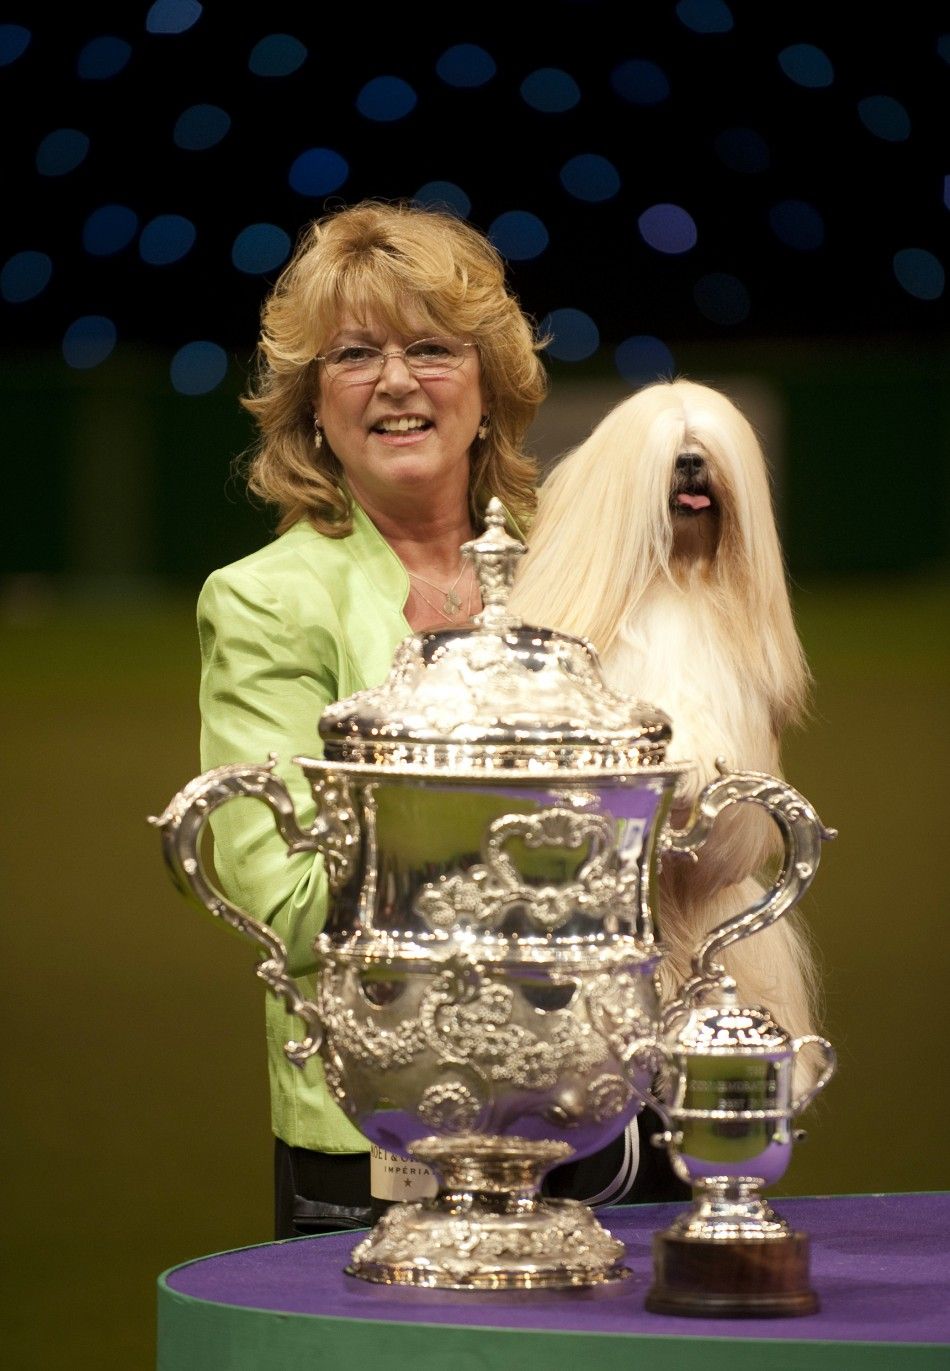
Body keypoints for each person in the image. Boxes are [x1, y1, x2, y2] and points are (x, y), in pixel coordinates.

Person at [197, 199, 685, 1241]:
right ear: (310, 406)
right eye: (353, 355)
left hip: (612, 1106)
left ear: (487, 387)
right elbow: (279, 897)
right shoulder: (266, 600)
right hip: (388, 1130)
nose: (397, 381)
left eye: (430, 348)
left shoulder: (585, 566)